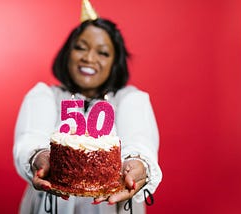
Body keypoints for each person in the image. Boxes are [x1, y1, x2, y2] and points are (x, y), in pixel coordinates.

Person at [13, 1, 162, 213]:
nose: (89, 58)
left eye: (103, 53)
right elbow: (30, 139)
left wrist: (137, 165)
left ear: (115, 62)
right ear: (68, 53)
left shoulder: (130, 99)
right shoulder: (44, 96)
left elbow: (140, 143)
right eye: (81, 47)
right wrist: (38, 157)